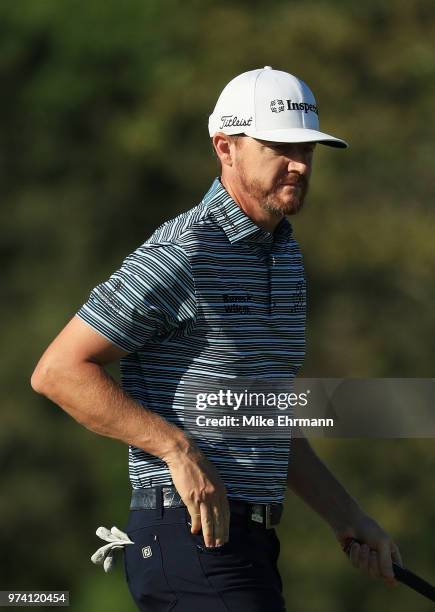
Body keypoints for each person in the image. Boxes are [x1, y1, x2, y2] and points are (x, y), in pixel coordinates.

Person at [31, 66, 403, 611]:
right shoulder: (186, 249)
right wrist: (175, 449)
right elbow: (58, 371)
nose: (300, 164)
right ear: (225, 147)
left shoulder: (287, 257)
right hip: (184, 536)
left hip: (251, 544)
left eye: (309, 150)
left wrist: (348, 518)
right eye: (279, 146)